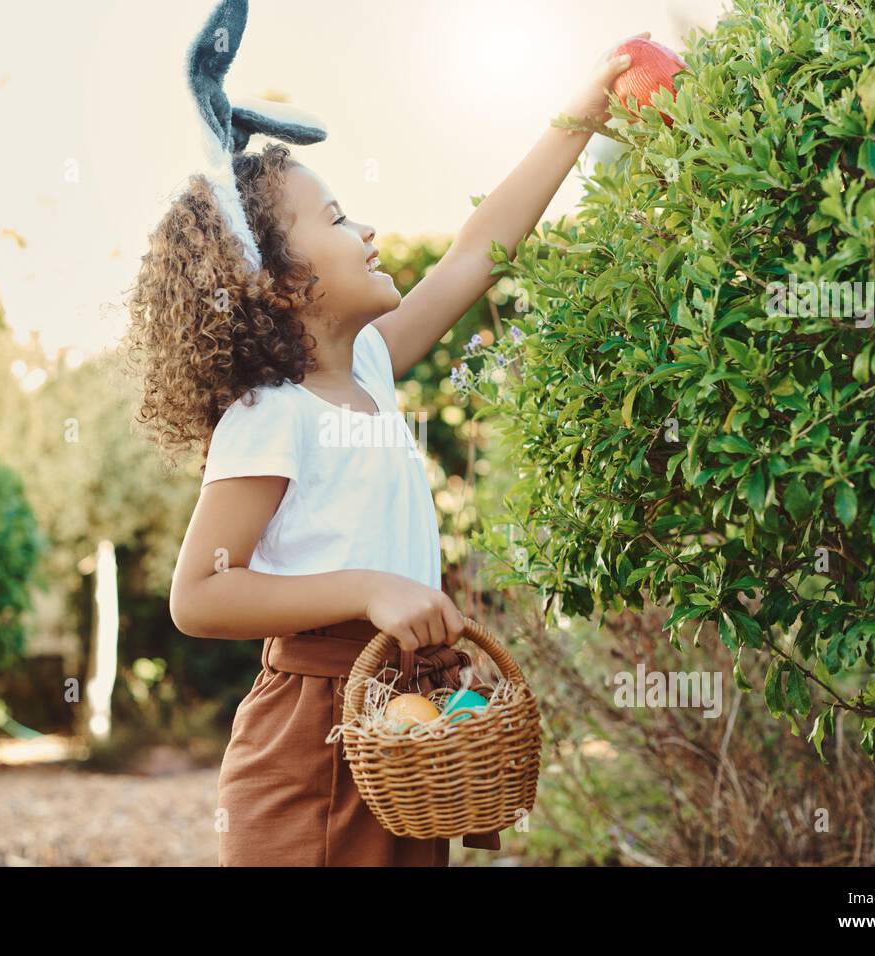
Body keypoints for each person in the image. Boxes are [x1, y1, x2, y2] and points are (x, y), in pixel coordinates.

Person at [126, 0, 644, 866]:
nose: (365, 230)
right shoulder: (271, 413)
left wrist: (582, 116)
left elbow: (478, 250)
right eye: (335, 221)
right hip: (314, 741)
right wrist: (369, 586)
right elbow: (202, 595)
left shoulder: (364, 368)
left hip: (396, 717)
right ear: (281, 281)